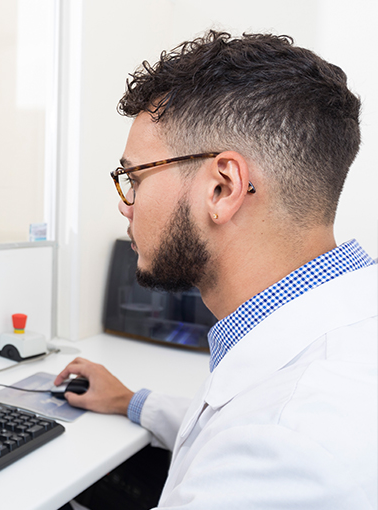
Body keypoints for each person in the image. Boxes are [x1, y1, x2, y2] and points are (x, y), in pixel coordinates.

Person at [55, 31, 377, 509]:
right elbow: (232, 415)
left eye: (135, 177)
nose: (127, 206)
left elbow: (253, 430)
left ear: (223, 188)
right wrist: (131, 401)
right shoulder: (346, 318)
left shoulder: (284, 449)